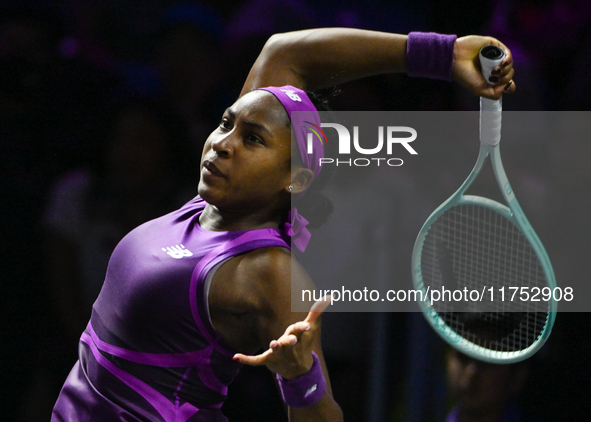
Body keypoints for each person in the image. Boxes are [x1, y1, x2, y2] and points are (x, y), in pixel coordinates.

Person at [51, 28, 515, 422]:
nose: (222, 144)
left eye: (252, 139)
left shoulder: (267, 271)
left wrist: (300, 376)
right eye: (226, 123)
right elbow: (284, 52)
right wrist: (442, 52)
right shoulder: (207, 204)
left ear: (294, 178)